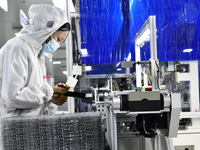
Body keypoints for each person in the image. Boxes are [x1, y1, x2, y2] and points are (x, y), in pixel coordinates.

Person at [0, 4, 70, 117]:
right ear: (47, 30)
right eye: (58, 39)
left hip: (25, 126)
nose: (57, 44)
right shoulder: (18, 48)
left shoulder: (37, 55)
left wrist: (50, 97)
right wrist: (49, 91)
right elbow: (12, 97)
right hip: (12, 128)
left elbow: (30, 94)